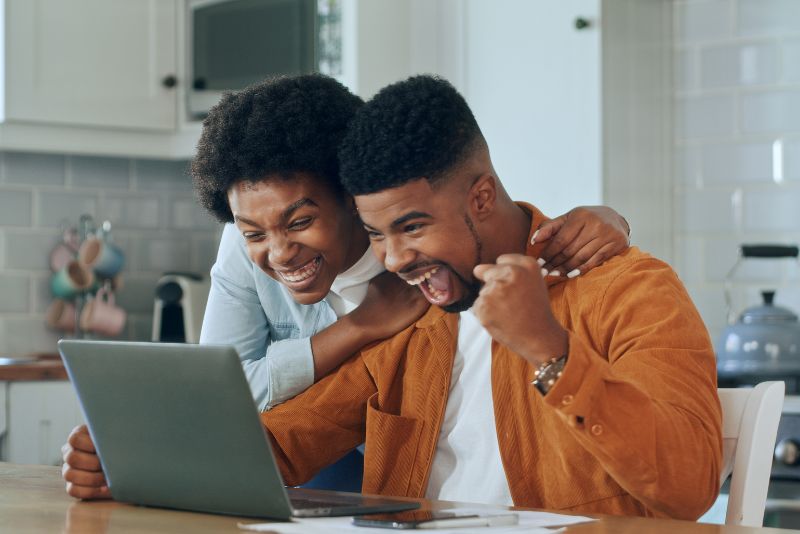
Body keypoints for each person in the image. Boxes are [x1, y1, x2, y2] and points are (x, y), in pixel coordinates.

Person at [60, 75, 636, 499]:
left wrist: (605, 218)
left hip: (380, 476)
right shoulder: (249, 247)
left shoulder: (434, 263)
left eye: (300, 221)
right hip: (309, 467)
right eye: (254, 229)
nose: (278, 251)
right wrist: (134, 463)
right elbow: (221, 399)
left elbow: (490, 220)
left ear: (355, 197)